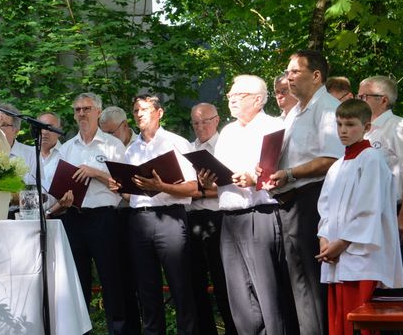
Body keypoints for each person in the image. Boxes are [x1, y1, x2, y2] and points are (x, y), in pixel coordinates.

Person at [206, 75, 297, 334]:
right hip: (230, 215)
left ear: (258, 99)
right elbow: (220, 175)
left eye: (239, 95)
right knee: (239, 296)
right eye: (230, 95)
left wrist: (253, 177)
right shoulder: (228, 131)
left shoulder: (273, 126)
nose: (232, 99)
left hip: (262, 213)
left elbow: (279, 170)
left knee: (268, 293)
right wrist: (208, 176)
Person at [265, 49, 342, 334]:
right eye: (287, 72)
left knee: (312, 280)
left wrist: (289, 173)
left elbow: (332, 159)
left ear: (317, 75)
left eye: (295, 71)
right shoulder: (294, 112)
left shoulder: (328, 108)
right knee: (297, 280)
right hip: (289, 200)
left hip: (314, 198)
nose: (288, 77)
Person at [109, 96, 198, 334]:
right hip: (139, 220)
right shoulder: (131, 149)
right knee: (146, 289)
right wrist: (120, 188)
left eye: (145, 109)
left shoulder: (176, 142)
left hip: (170, 218)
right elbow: (132, 197)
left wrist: (162, 187)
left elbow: (192, 187)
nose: (139, 114)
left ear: (159, 113)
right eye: (136, 109)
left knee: (180, 285)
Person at [317, 99, 403, 335]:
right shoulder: (337, 166)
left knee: (359, 321)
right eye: (339, 124)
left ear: (367, 127)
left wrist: (342, 242)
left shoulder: (372, 160)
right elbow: (324, 207)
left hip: (360, 256)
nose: (343, 131)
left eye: (350, 125)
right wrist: (324, 238)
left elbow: (369, 209)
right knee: (339, 321)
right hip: (335, 256)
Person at [58, 93, 133, 334]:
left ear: (98, 112)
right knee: (77, 283)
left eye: (86, 109)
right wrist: (63, 199)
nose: (81, 113)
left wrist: (96, 172)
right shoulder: (67, 148)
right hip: (74, 218)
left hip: (105, 219)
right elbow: (57, 188)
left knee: (112, 281)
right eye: (77, 109)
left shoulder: (113, 146)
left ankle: (119, 331)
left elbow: (126, 188)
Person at [358, 76, 403, 333]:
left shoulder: (400, 127)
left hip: (397, 212)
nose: (358, 100)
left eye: (363, 96)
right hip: (370, 217)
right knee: (379, 286)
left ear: (383, 100)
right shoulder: (363, 131)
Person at [186, 103, 236, 335]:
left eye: (205, 121)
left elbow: (232, 184)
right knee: (195, 281)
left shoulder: (227, 144)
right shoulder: (187, 148)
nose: (200, 127)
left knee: (222, 279)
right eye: (195, 123)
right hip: (192, 216)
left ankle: (233, 328)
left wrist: (204, 190)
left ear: (217, 120)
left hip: (219, 217)